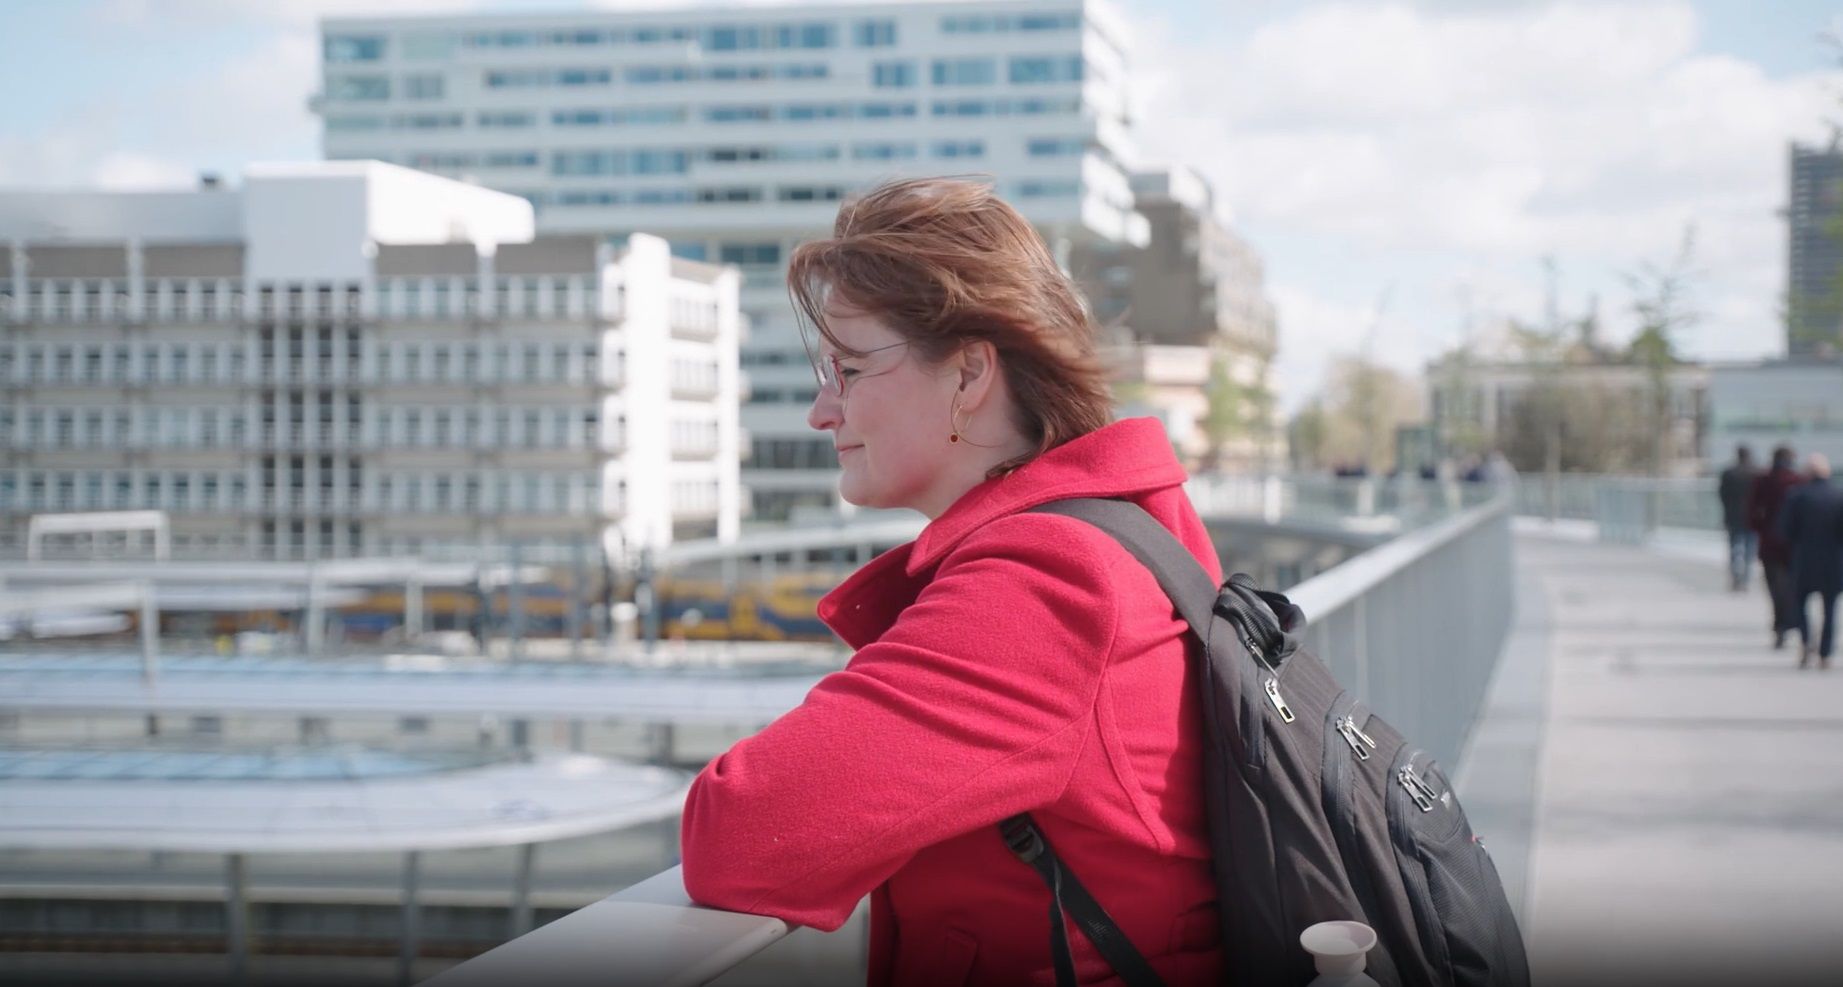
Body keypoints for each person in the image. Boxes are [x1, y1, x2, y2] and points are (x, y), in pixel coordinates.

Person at [679, 178, 1224, 986]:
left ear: (969, 373)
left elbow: (740, 835)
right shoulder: (1123, 529)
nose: (820, 411)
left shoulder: (1047, 582)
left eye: (850, 369)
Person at [1779, 453, 1842, 669]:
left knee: (1800, 605)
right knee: (1830, 610)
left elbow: (1785, 530)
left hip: (1804, 560)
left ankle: (1806, 643)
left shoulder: (1797, 496)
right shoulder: (1838, 496)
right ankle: (1825, 653)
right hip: (1833, 562)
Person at [1748, 445, 1803, 648]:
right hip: (1792, 546)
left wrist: (1761, 529)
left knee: (1775, 588)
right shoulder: (1798, 481)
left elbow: (1752, 512)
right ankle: (1789, 622)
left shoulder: (1763, 481)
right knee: (1791, 586)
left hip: (1770, 543)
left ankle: (1781, 624)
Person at [1718, 445, 1757, 591]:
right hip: (1752, 518)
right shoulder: (1756, 472)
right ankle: (1745, 580)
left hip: (1733, 516)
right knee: (1749, 551)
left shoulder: (1729, 473)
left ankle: (1736, 578)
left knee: (1734, 549)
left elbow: (1722, 495)